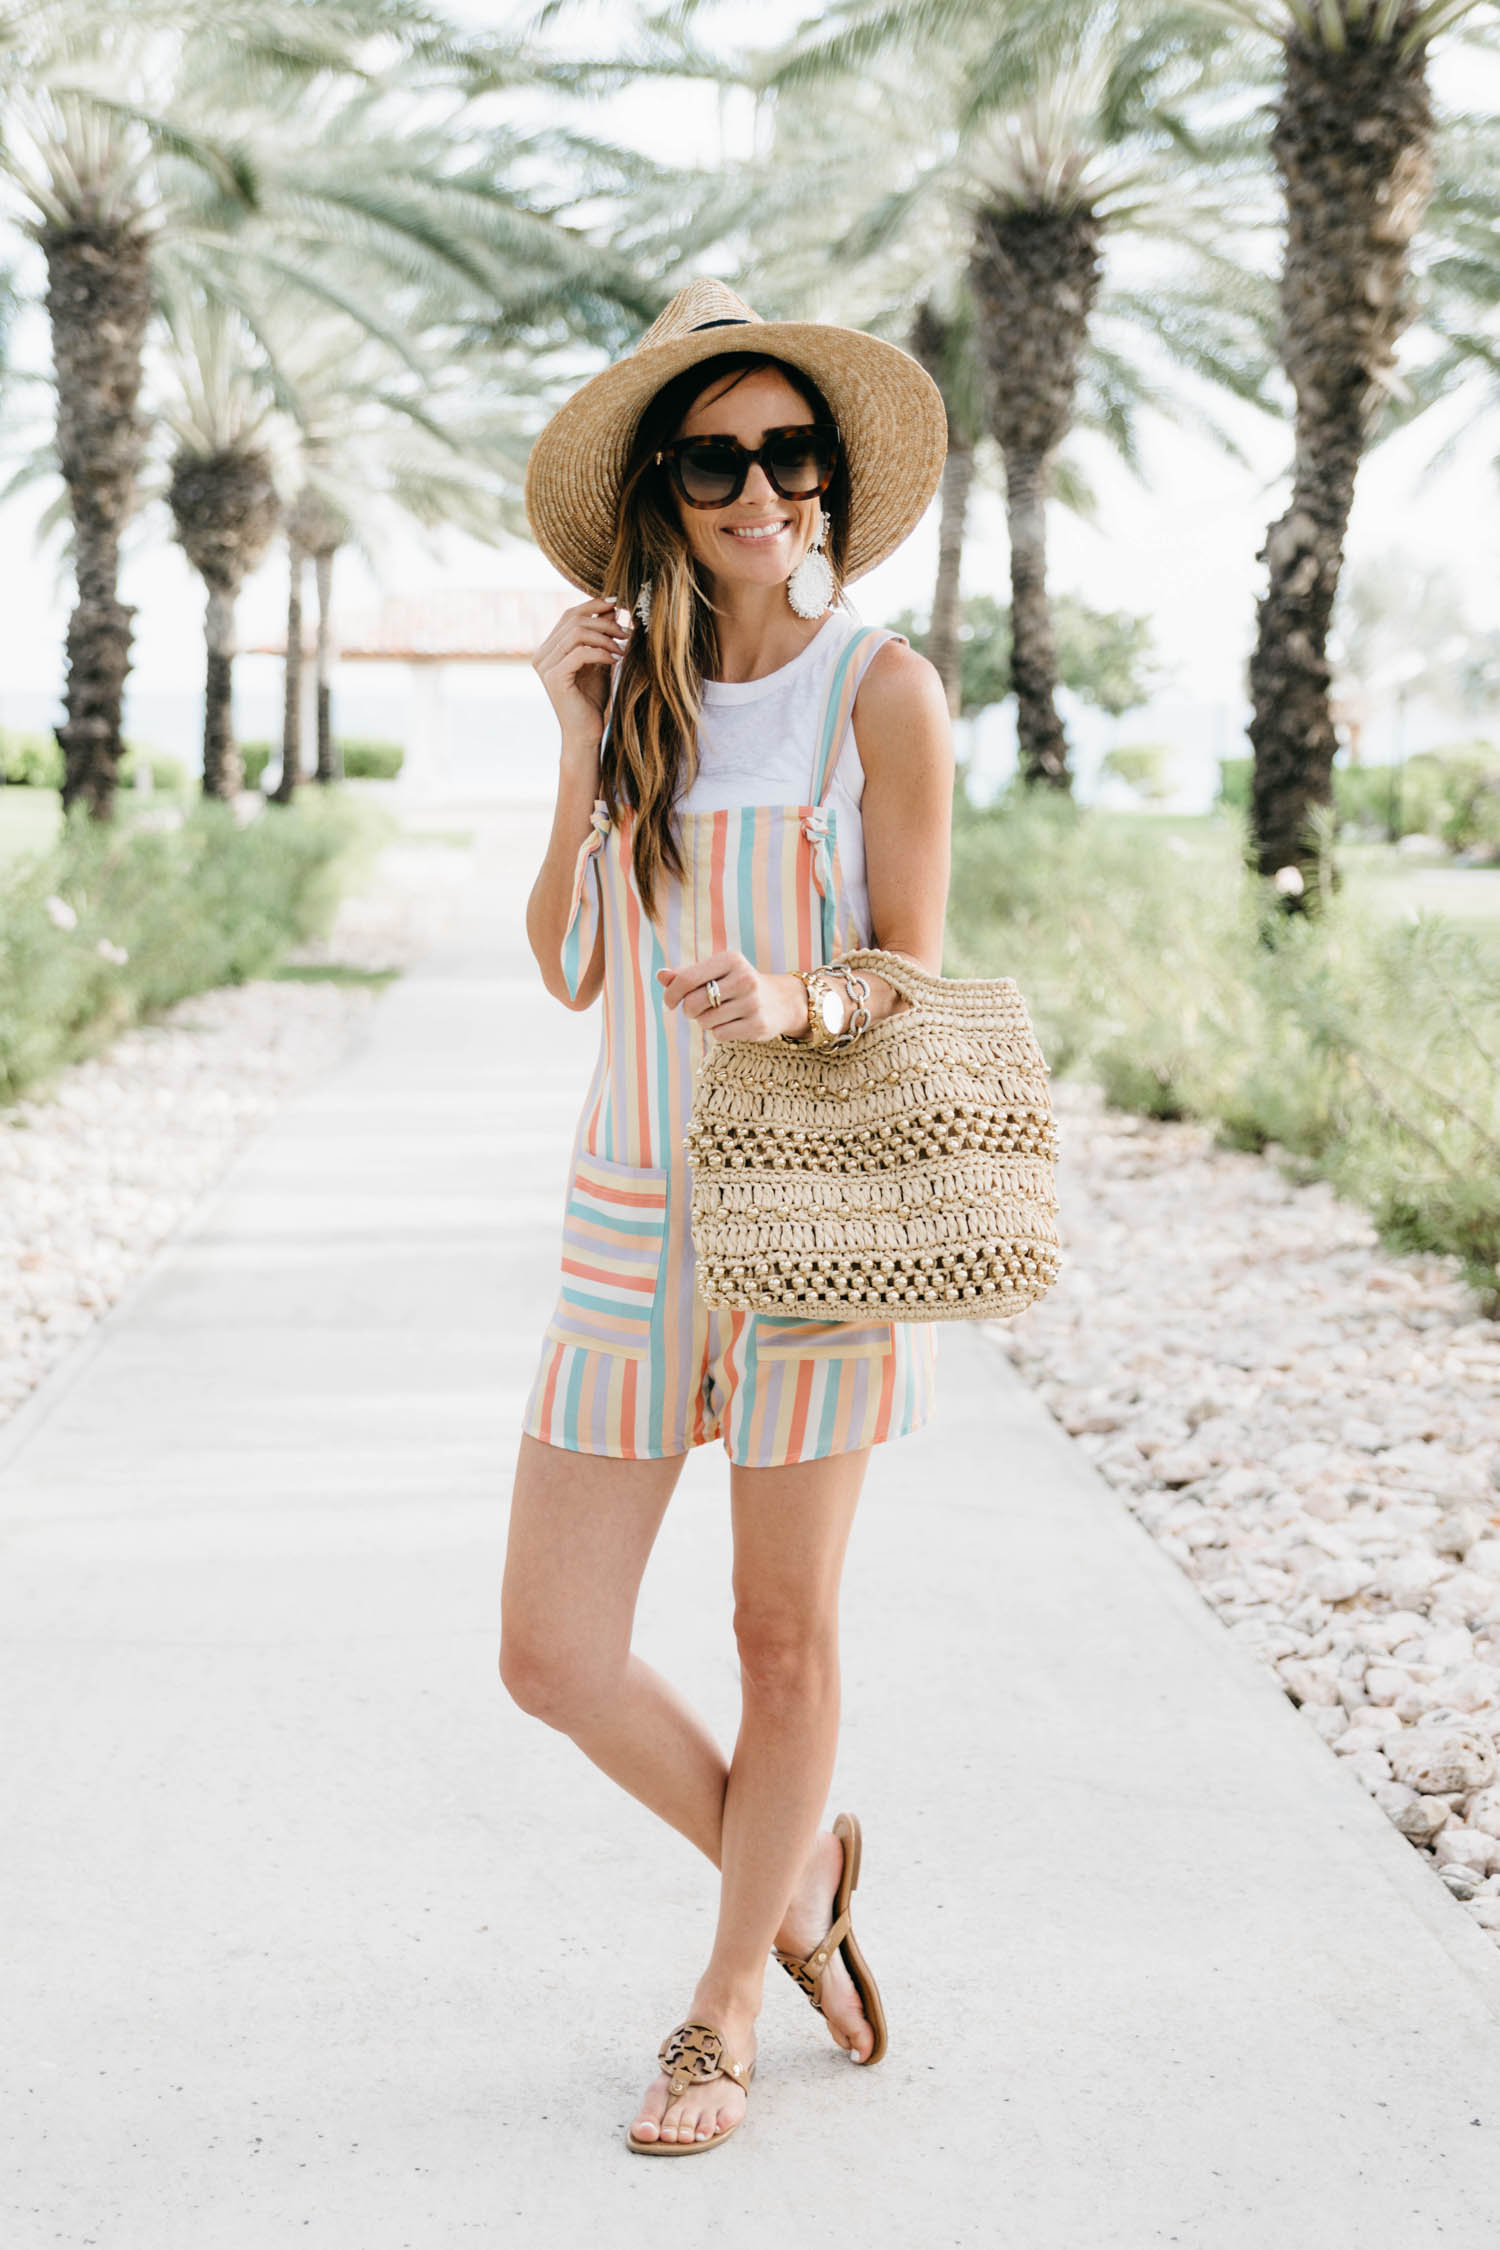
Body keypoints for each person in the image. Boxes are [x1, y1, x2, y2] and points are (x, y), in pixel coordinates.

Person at [500, 277, 953, 2156]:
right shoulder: (644, 696)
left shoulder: (886, 690)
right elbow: (565, 965)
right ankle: (795, 1870)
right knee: (551, 1648)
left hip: (817, 1214)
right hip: (635, 1203)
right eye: (716, 458)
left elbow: (917, 971)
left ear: (833, 480)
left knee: (784, 1636)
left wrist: (803, 1000)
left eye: (790, 452)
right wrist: (577, 729)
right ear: (667, 493)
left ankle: (722, 2006)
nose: (759, 487)